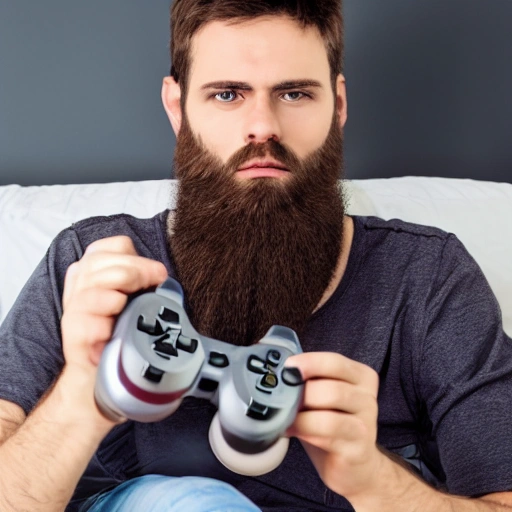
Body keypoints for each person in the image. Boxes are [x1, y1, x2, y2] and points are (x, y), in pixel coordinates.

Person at [1, 0, 512, 510]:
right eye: (227, 94)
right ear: (177, 108)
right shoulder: (91, 267)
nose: (262, 126)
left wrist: (376, 481)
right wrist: (83, 393)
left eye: (293, 93)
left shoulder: (427, 279)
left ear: (338, 104)